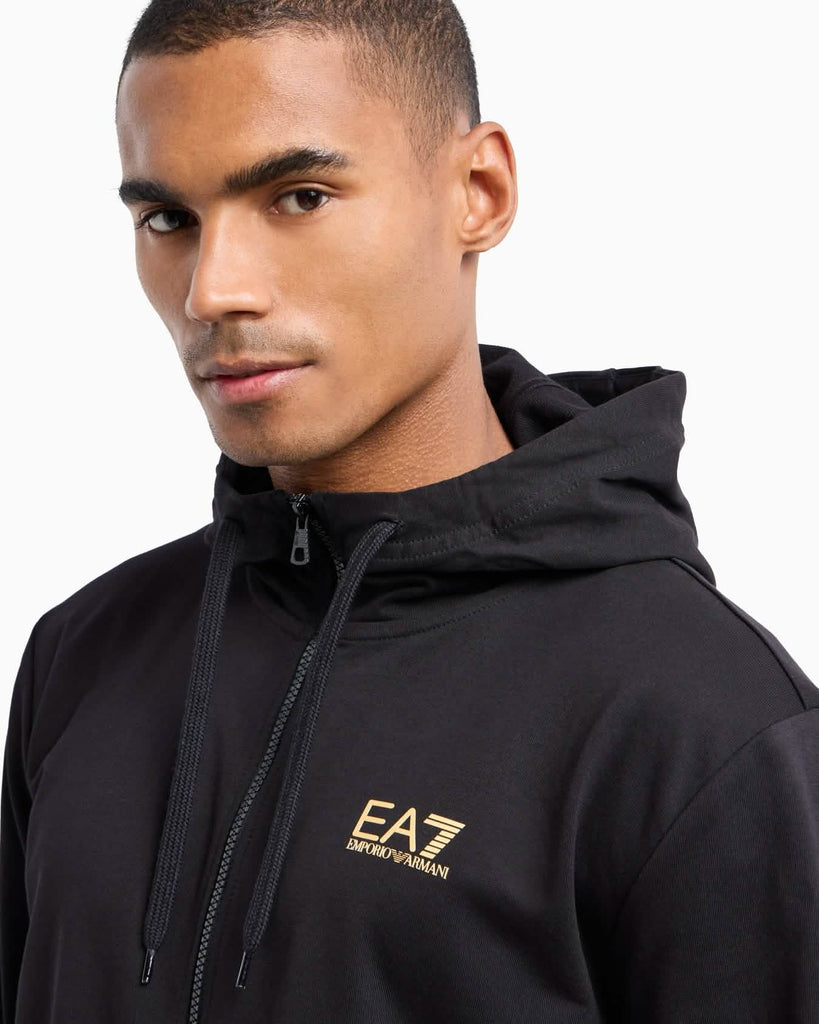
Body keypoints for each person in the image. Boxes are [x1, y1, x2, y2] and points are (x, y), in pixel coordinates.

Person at [2, 0, 817, 1020]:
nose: (213, 291)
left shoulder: (701, 720)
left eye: (299, 196)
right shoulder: (83, 651)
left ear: (479, 192)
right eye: (168, 219)